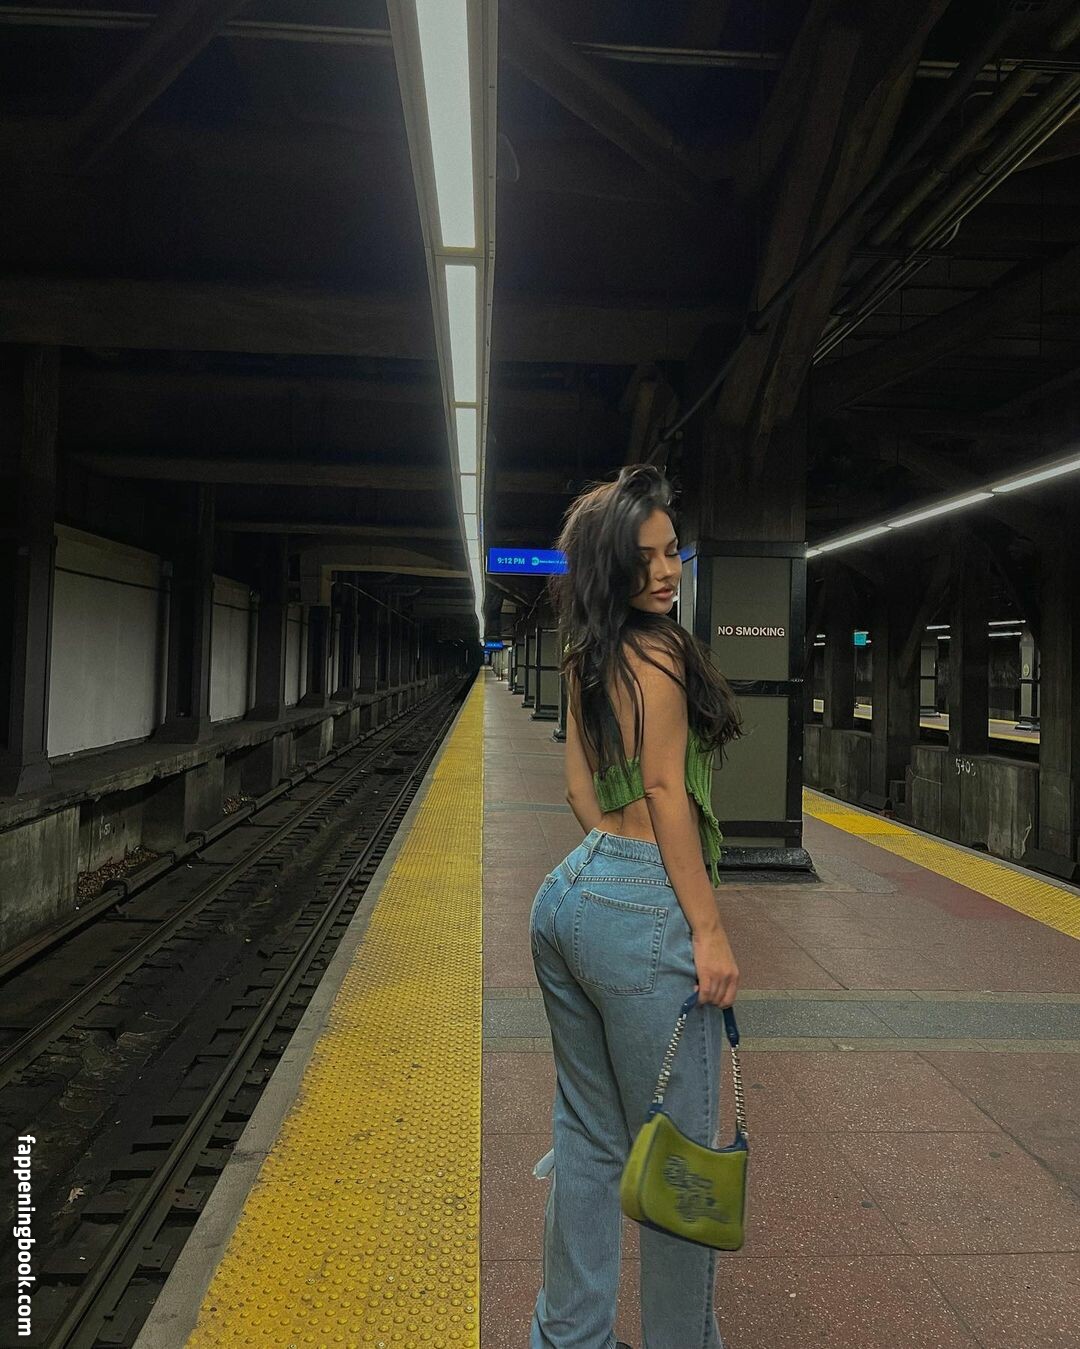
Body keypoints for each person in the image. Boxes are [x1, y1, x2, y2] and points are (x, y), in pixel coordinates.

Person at [528, 464, 743, 1349]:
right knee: (682, 1159)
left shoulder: (587, 655)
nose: (664, 571)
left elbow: (580, 789)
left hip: (571, 893)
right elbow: (665, 789)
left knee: (588, 1136)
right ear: (612, 564)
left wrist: (609, 864)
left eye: (671, 552)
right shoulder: (659, 656)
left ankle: (568, 1337)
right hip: (646, 903)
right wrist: (707, 927)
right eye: (645, 557)